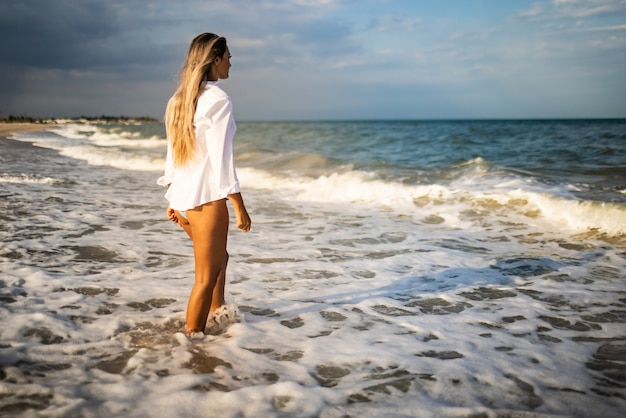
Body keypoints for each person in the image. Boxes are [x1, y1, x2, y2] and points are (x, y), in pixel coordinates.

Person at [157, 33, 251, 337]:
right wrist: (239, 206)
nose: (231, 63)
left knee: (220, 258)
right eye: (228, 57)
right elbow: (223, 161)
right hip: (208, 198)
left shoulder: (178, 99)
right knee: (205, 277)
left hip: (185, 197)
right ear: (215, 59)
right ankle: (192, 341)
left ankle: (217, 313)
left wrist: (172, 198)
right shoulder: (218, 100)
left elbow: (173, 154)